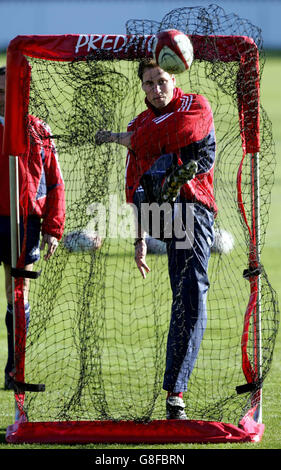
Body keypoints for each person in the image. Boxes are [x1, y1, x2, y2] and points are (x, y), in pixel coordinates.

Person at [95, 57, 217, 419]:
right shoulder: (140, 123)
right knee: (149, 183)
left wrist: (124, 138)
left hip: (194, 209)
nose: (157, 89)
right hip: (163, 216)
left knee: (188, 297)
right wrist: (139, 240)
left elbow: (177, 133)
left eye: (162, 81)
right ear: (142, 87)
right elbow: (131, 186)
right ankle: (169, 181)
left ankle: (175, 394)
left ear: (174, 76)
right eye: (149, 84)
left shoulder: (195, 104)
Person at [0, 66, 65, 390]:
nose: (5, 98)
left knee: (17, 293)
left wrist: (53, 227)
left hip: (24, 223)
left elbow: (55, 184)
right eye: (0, 92)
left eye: (10, 92)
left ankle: (16, 371)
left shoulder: (39, 130)